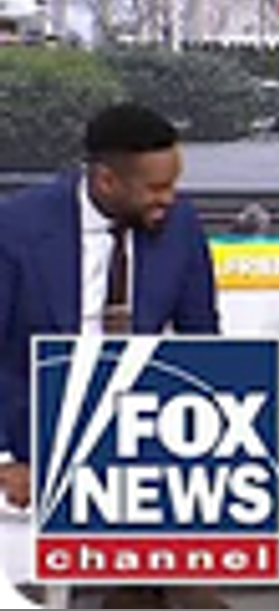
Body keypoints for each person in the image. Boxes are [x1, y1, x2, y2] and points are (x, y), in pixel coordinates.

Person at [0, 102, 224, 609]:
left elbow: (202, 341)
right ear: (106, 181)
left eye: (174, 184)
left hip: (142, 423)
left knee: (182, 575)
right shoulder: (16, 228)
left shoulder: (181, 226)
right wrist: (6, 459)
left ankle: (147, 590)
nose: (169, 199)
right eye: (156, 188)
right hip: (40, 422)